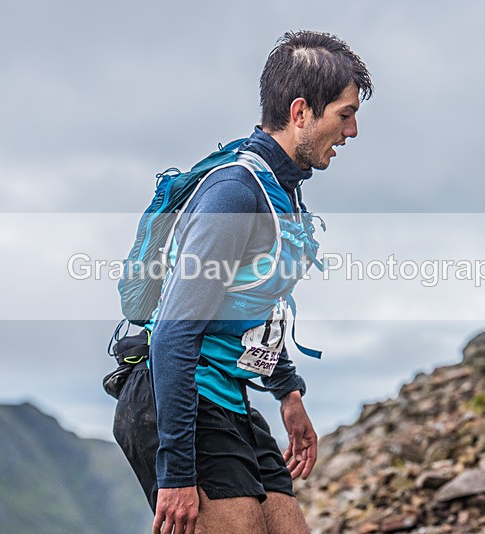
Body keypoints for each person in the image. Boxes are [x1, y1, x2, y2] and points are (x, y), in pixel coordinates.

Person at [114, 30, 372, 534]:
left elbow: (252, 307)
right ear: (301, 112)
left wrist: (287, 394)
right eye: (345, 114)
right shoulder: (236, 193)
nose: (354, 131)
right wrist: (178, 474)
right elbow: (172, 332)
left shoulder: (283, 194)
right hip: (175, 401)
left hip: (227, 395)